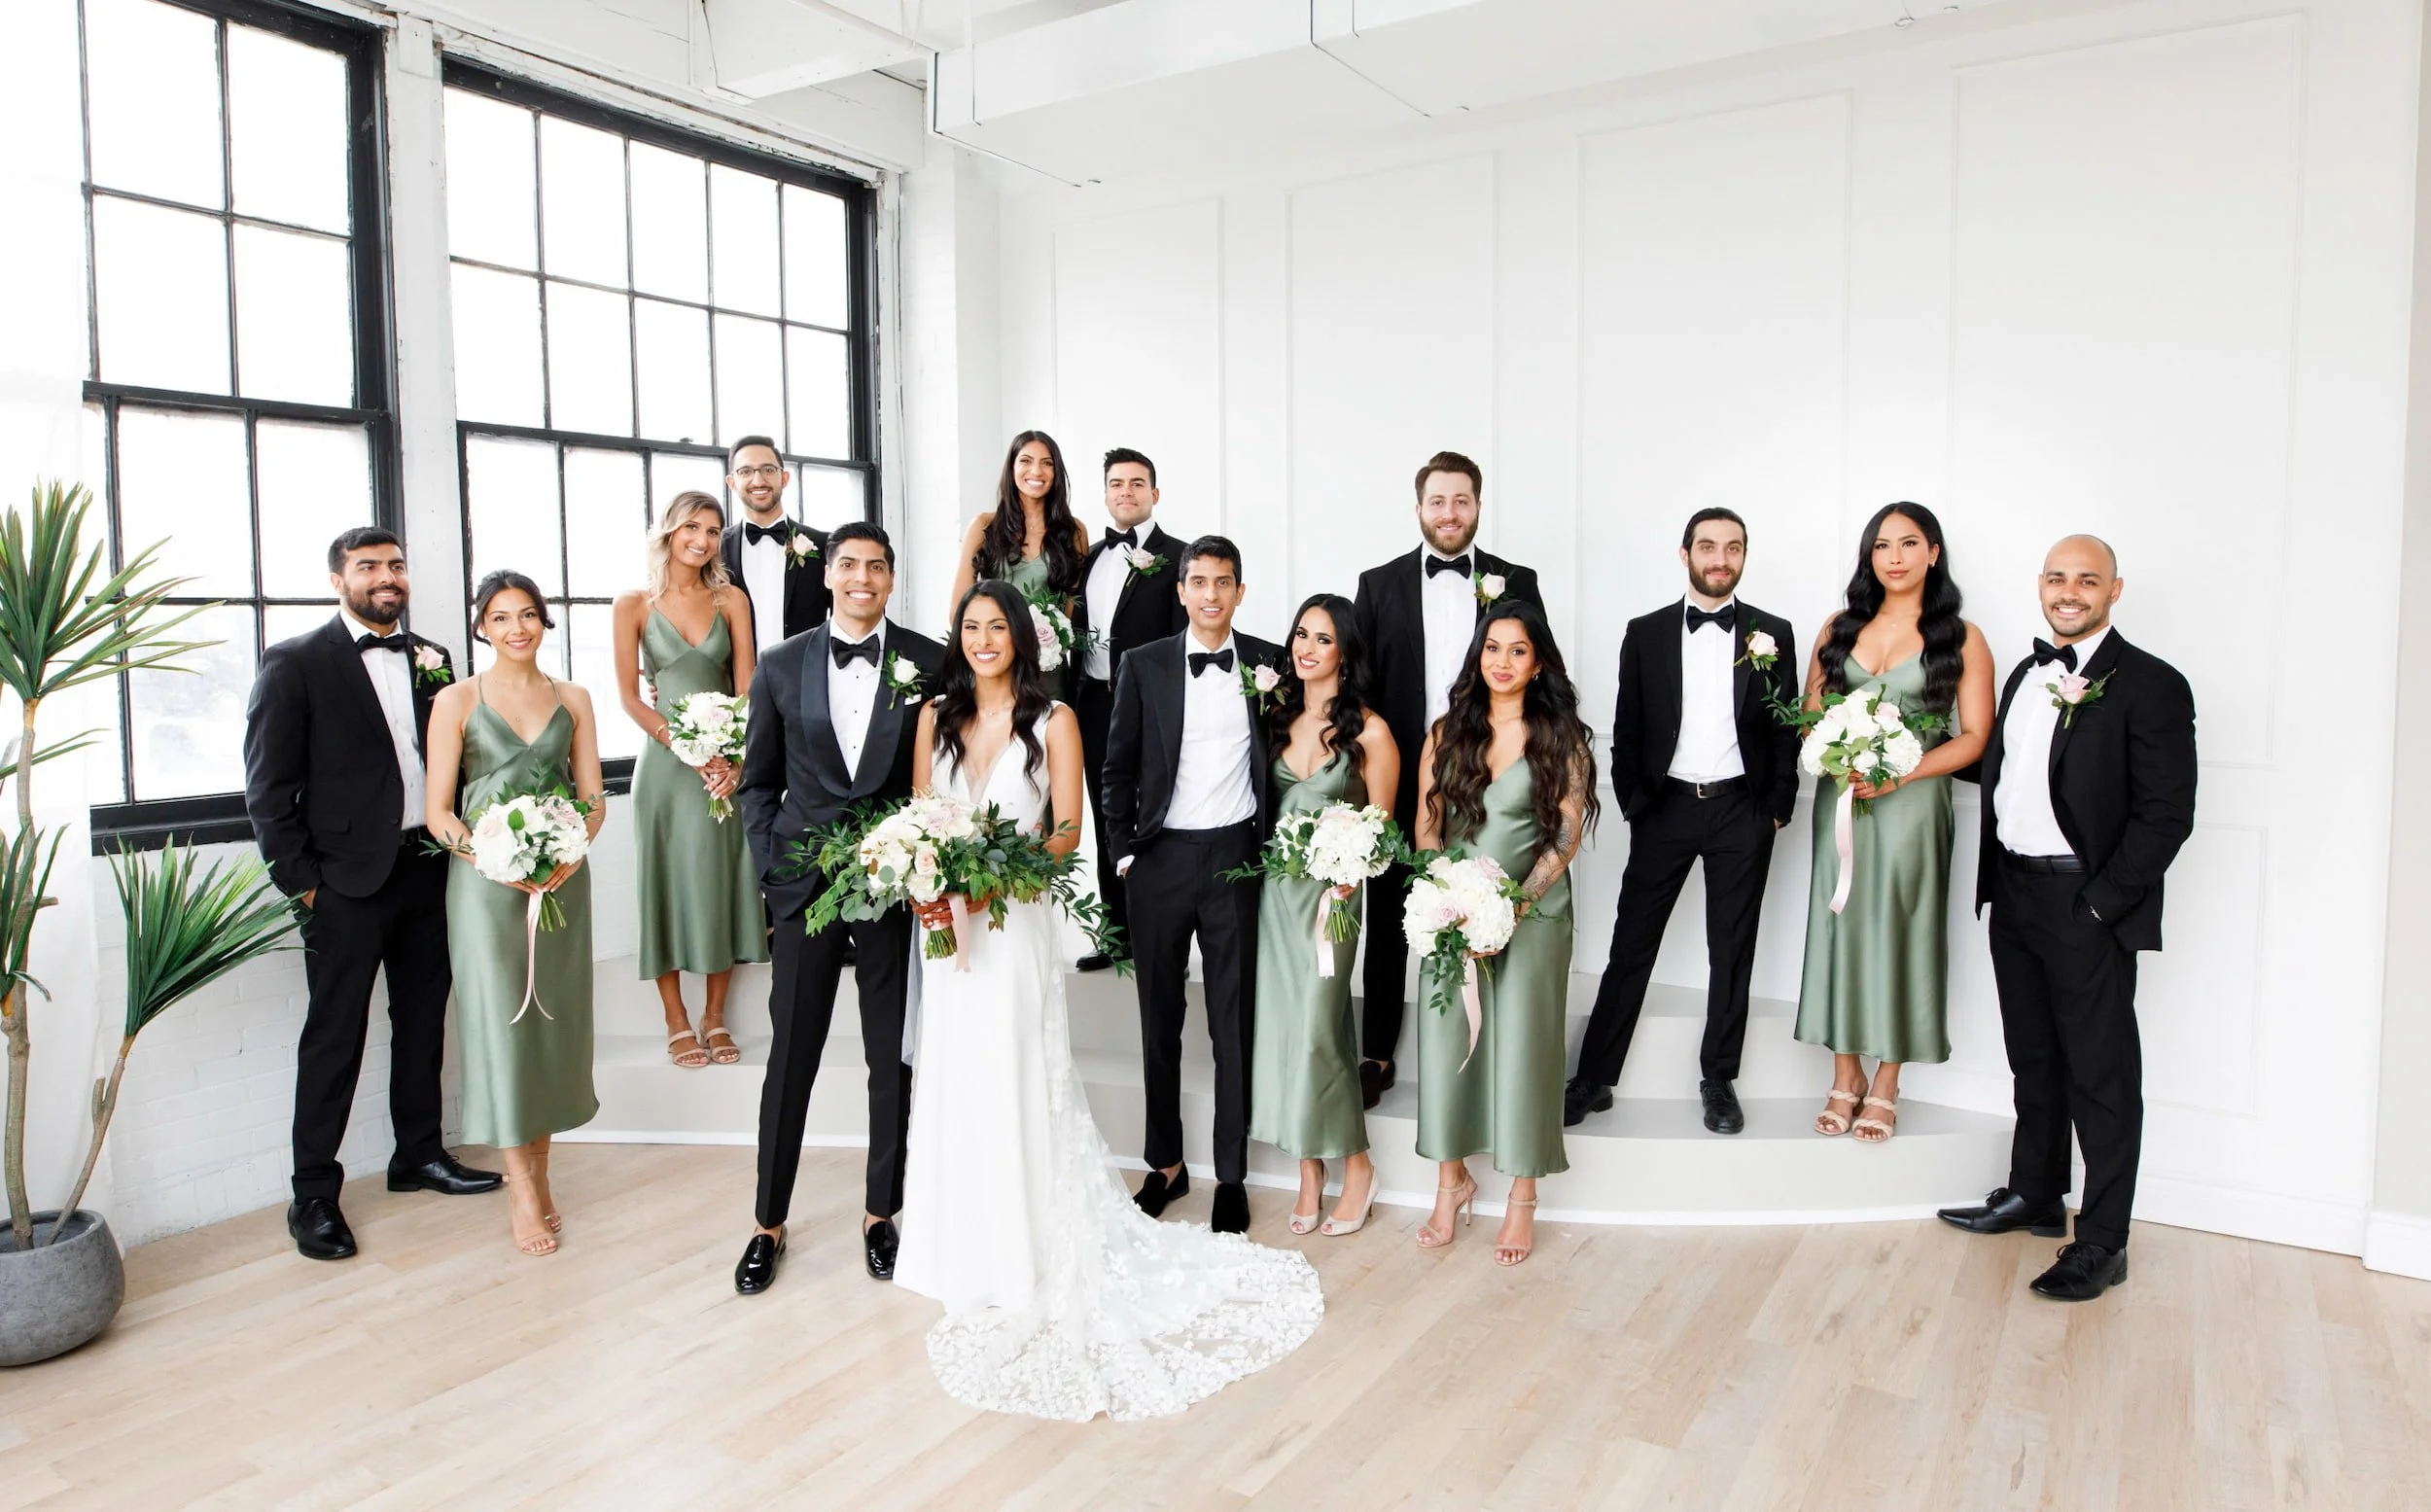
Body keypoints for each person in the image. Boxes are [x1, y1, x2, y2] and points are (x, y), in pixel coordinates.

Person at [892, 581, 1322, 1421]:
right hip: (945, 933)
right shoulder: (932, 718)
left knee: (1014, 1066)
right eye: (971, 627)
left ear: (1021, 638)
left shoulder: (1054, 721)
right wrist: (926, 881)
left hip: (1011, 927)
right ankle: (956, 1246)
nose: (983, 639)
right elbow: (920, 815)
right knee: (952, 1071)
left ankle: (1021, 1249)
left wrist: (995, 881)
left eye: (998, 627)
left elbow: (1063, 832)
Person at [1937, 536, 2197, 1303]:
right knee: (2035, 1056)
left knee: (2102, 1074)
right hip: (2013, 896)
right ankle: (2036, 1192)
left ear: (2115, 589)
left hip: (2083, 900)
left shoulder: (2151, 684)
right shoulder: (2024, 673)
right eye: (2057, 577)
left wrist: (2100, 903)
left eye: (2087, 579)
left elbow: (2165, 815)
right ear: (2041, 586)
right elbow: (2003, 778)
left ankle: (2105, 1240)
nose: (2069, 590)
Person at [242, 528, 501, 1263]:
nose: (385, 577)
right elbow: (266, 791)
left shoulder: (435, 658)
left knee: (423, 1023)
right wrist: (305, 886)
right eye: (367, 567)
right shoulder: (293, 662)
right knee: (334, 1037)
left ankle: (417, 1154)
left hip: (428, 864)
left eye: (394, 565)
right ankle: (313, 1194)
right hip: (342, 884)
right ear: (337, 579)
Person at [732, 522, 944, 1294]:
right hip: (803, 885)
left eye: (876, 566)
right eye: (848, 565)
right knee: (792, 1055)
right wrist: (771, 864)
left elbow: (938, 776)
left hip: (892, 887)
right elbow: (756, 782)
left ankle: (880, 1213)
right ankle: (767, 1222)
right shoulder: (782, 662)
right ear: (828, 575)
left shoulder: (927, 661)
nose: (862, 578)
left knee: (891, 1056)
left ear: (891, 578)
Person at [1566, 509, 1800, 1135]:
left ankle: (1719, 1079)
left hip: (1740, 812)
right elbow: (1629, 728)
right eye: (1708, 546)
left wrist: (1775, 807)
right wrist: (1636, 805)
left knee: (1732, 953)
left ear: (1745, 555)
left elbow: (1784, 728)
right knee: (1629, 948)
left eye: (1733, 547)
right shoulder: (1644, 632)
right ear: (1685, 553)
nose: (1720, 558)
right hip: (1664, 807)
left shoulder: (1773, 632)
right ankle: (1594, 1077)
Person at [1792, 502, 1993, 1142]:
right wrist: (1839, 755)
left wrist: (1900, 772)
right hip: (1844, 798)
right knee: (1839, 918)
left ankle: (1887, 1080)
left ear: (1934, 551)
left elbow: (1975, 738)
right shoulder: (1838, 626)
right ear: (1869, 556)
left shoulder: (1961, 637)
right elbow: (1812, 712)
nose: (1896, 557)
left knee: (1903, 926)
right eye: (1883, 545)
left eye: (1909, 543)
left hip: (1912, 804)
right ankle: (1845, 1070)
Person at [1103, 536, 1286, 1234]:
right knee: (1159, 1020)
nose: (1211, 594)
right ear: (1180, 590)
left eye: (1224, 582)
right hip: (1160, 861)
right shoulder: (1142, 665)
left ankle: (1231, 1174)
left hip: (1237, 857)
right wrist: (1124, 854)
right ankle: (1166, 1164)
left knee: (1231, 1022)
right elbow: (1115, 768)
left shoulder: (1270, 663)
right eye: (1199, 581)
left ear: (1241, 591)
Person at [1353, 450, 1544, 1109]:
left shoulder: (1516, 577)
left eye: (1462, 500)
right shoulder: (1377, 585)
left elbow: (1537, 664)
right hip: (1402, 768)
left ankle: (1484, 1050)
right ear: (1419, 509)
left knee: (1487, 901)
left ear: (1479, 507)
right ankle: (1377, 1050)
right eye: (1438, 501)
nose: (1450, 513)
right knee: (1388, 911)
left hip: (1491, 773)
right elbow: (1363, 688)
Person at [423, 572, 606, 1257]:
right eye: (501, 618)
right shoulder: (456, 699)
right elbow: (437, 812)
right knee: (501, 1028)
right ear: (482, 628)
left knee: (549, 1027)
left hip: (560, 879)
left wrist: (569, 851)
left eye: (528, 614)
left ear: (543, 622)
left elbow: (593, 799)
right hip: (485, 887)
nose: (517, 628)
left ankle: (544, 1171)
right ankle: (521, 1189)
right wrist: (494, 858)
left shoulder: (576, 699)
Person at [1411, 600, 1597, 1267]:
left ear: (1537, 660)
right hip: (1452, 912)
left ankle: (1522, 1195)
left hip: (1534, 912)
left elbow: (1567, 835)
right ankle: (1450, 1182)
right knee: (1446, 1041)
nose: (1503, 661)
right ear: (1478, 655)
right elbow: (1427, 829)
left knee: (1525, 1047)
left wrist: (1513, 907)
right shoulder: (1447, 731)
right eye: (1493, 648)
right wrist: (1446, 898)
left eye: (1518, 650)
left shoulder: (1561, 737)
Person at [1249, 594, 1398, 1236]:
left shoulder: (1371, 730)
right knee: (1283, 1027)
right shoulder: (1274, 717)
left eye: (1323, 638)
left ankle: (1358, 1166)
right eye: (1301, 635)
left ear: (1346, 651)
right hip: (1275, 895)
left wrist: (1346, 879)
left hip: (1334, 899)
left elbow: (1384, 830)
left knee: (1320, 1027)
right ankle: (1309, 1170)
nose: (1306, 648)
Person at [614, 492, 767, 1070]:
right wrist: (682, 745)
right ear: (669, 532)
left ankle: (715, 1015)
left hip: (723, 766)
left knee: (723, 880)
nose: (701, 540)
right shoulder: (632, 604)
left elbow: (748, 687)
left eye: (712, 529)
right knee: (666, 884)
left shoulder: (730, 599)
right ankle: (676, 1018)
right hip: (664, 769)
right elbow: (629, 696)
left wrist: (730, 759)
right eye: (691, 528)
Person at [1073, 447, 1188, 972]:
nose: (1126, 492)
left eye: (1137, 484)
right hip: (1094, 704)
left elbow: (1180, 641)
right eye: (1117, 484)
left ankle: (1161, 941)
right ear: (1105, 494)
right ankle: (1115, 935)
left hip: (1152, 708)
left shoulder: (1180, 558)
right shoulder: (1088, 560)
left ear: (1155, 494)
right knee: (1106, 814)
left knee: (1156, 815)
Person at [950, 431, 1092, 694]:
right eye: (1026, 461)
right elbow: (958, 609)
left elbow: (1073, 612)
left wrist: (1048, 639)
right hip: (993, 664)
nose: (1036, 471)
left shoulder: (1074, 532)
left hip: (1048, 669)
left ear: (1056, 472)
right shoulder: (984, 526)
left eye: (1047, 463)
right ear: (1012, 467)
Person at [721, 435, 831, 660]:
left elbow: (846, 620)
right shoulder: (715, 548)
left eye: (768, 469)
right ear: (732, 482)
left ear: (784, 477)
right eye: (746, 472)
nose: (758, 480)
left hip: (805, 681)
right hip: (733, 687)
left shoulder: (823, 544)